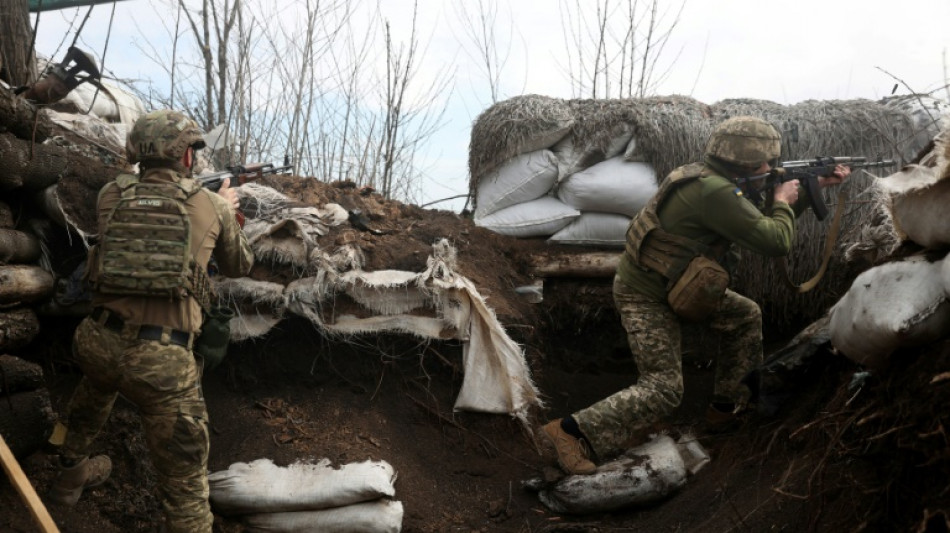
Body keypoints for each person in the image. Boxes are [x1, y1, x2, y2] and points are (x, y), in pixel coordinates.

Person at [540, 116, 851, 475]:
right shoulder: (715, 192)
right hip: (646, 294)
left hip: (682, 285)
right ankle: (567, 432)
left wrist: (813, 190)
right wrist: (783, 201)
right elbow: (773, 240)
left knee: (744, 316)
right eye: (764, 163)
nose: (770, 169)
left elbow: (753, 225)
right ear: (742, 162)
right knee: (663, 389)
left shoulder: (710, 178)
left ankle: (725, 411)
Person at [48, 109, 254, 532]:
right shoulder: (211, 204)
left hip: (97, 342)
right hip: (161, 362)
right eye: (192, 151)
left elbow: (138, 200)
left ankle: (69, 478)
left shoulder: (110, 194)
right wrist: (229, 212)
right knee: (184, 478)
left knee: (95, 392)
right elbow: (239, 265)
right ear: (185, 157)